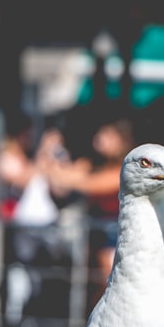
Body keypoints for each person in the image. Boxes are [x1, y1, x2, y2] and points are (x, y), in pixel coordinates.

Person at [41, 107, 136, 302]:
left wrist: (57, 171)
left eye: (109, 134)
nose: (101, 137)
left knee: (108, 278)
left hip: (117, 232)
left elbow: (91, 185)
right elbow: (62, 184)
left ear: (122, 141)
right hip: (93, 232)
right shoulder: (90, 163)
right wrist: (50, 155)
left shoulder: (124, 169)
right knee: (88, 280)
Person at [0, 119, 66, 327]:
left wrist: (54, 163)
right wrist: (43, 157)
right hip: (23, 227)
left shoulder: (42, 160)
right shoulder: (10, 157)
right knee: (22, 283)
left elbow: (61, 190)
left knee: (44, 282)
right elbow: (21, 179)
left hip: (47, 225)